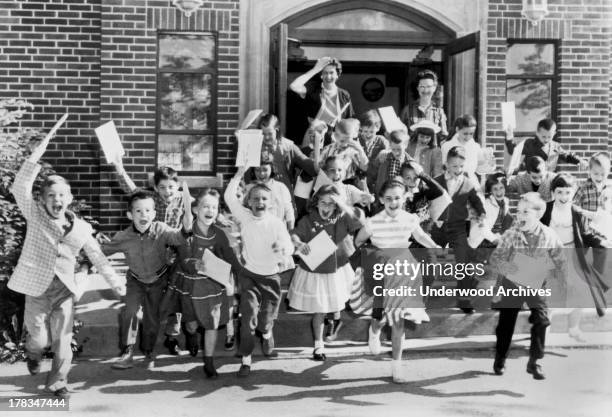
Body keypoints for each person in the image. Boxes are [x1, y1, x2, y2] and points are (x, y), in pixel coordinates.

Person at [8, 131, 125, 399]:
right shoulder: (34, 215)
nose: (56, 200)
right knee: (39, 340)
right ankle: (34, 355)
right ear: (42, 199)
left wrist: (117, 284)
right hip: (36, 289)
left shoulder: (82, 228)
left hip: (64, 292)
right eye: (51, 195)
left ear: (69, 198)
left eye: (61, 195)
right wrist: (38, 153)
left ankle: (57, 382)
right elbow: (19, 187)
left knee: (63, 340)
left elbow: (98, 257)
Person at [354, 178, 441, 383]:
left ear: (404, 198)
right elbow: (358, 241)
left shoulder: (410, 218)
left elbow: (420, 237)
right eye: (389, 199)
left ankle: (397, 366)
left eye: (397, 198)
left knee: (398, 321)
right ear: (382, 200)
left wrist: (436, 247)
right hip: (380, 271)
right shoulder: (373, 222)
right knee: (379, 317)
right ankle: (374, 331)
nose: (393, 202)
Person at [101, 188, 193, 370]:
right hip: (135, 281)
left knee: (152, 318)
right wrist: (90, 245)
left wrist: (186, 226)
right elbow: (102, 251)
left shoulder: (161, 229)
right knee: (130, 312)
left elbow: (178, 237)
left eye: (148, 210)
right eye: (138, 211)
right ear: (130, 215)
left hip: (158, 280)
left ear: (154, 213)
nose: (144, 215)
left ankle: (149, 350)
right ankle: (127, 350)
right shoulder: (123, 237)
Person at [111, 157, 188, 356]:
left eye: (171, 187)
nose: (167, 192)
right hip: (154, 251)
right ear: (156, 187)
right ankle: (135, 343)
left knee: (174, 299)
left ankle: (172, 337)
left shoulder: (184, 200)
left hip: (175, 253)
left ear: (177, 186)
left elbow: (202, 214)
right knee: (152, 302)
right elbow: (132, 191)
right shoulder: (150, 201)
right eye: (162, 187)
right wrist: (121, 170)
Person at [224, 166, 294, 378]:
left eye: (264, 199)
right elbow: (229, 197)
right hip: (249, 276)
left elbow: (289, 247)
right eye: (255, 199)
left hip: (271, 277)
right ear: (249, 202)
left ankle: (267, 332)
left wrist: (282, 250)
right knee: (248, 318)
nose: (259, 202)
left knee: (265, 320)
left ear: (271, 203)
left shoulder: (276, 224)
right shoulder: (244, 217)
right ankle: (246, 359)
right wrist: (239, 174)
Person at [489, 192, 566, 380]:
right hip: (512, 282)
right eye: (518, 212)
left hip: (536, 283)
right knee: (506, 323)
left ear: (538, 214)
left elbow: (560, 259)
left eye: (525, 212)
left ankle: (535, 361)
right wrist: (511, 268)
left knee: (542, 319)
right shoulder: (511, 234)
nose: (520, 216)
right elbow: (495, 258)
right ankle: (500, 357)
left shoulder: (548, 234)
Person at [168, 188, 243, 377]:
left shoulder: (219, 234)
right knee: (192, 324)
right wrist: (195, 264)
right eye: (205, 206)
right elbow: (184, 259)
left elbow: (231, 258)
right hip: (191, 284)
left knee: (212, 323)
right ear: (195, 209)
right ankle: (191, 335)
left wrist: (242, 274)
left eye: (214, 207)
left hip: (211, 283)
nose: (210, 210)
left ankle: (209, 362)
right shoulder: (187, 232)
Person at [288, 185, 366, 361]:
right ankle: (318, 345)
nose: (326, 207)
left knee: (336, 301)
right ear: (316, 203)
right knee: (319, 310)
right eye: (323, 203)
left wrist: (343, 204)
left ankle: (335, 317)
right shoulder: (308, 220)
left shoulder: (342, 218)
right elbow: (294, 234)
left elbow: (359, 220)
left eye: (331, 204)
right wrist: (299, 243)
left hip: (336, 270)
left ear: (336, 205)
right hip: (315, 271)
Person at [540, 173, 611, 341]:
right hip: (551, 257)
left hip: (572, 256)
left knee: (580, 293)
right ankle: (543, 331)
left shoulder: (576, 212)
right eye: (559, 192)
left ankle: (573, 328)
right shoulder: (546, 209)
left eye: (567, 192)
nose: (563, 197)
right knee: (551, 295)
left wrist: (602, 242)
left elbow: (587, 234)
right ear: (553, 192)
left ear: (573, 193)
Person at [431, 146, 486, 313]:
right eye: (454, 166)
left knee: (463, 261)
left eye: (461, 166)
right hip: (439, 227)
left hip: (458, 227)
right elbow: (427, 200)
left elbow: (476, 201)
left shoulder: (468, 183)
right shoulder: (437, 181)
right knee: (427, 258)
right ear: (447, 164)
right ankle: (422, 295)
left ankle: (464, 299)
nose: (458, 169)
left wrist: (482, 212)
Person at [289, 56, 354, 141]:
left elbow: (349, 120)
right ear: (321, 75)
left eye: (331, 73)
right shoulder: (313, 90)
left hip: (337, 140)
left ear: (337, 75)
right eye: (325, 73)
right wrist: (315, 69)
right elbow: (294, 86)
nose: (328, 76)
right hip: (314, 138)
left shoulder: (344, 95)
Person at [573, 152, 611, 275]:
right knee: (579, 260)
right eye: (595, 173)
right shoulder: (584, 187)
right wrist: (580, 212)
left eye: (602, 174)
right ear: (589, 171)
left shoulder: (609, 188)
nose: (599, 177)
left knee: (601, 262)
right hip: (585, 230)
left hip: (601, 232)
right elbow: (574, 205)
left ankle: (599, 283)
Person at [505, 118, 589, 173]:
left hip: (549, 180)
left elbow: (568, 156)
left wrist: (580, 160)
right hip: (532, 180)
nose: (546, 139)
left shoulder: (556, 146)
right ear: (537, 133)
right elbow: (513, 150)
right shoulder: (529, 143)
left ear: (554, 134)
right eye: (543, 136)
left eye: (549, 137)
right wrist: (509, 137)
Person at [245, 153, 295, 230]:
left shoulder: (281, 187)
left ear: (272, 169)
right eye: (257, 170)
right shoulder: (248, 189)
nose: (261, 174)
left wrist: (290, 232)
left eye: (265, 170)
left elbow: (289, 212)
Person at [399, 69, 448, 141]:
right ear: (417, 88)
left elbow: (444, 135)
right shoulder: (407, 109)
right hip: (411, 151)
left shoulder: (439, 111)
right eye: (422, 86)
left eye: (428, 87)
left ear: (434, 88)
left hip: (433, 150)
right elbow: (399, 134)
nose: (425, 91)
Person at [367, 129, 416, 198]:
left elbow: (413, 186)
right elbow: (371, 175)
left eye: (399, 149)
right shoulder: (383, 158)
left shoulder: (411, 164)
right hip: (382, 198)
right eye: (393, 149)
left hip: (400, 200)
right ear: (390, 146)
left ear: (406, 145)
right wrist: (371, 192)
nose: (396, 153)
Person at [319, 118, 369, 185]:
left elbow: (364, 168)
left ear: (352, 137)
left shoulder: (353, 150)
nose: (346, 143)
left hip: (346, 183)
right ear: (335, 136)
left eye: (349, 140)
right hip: (328, 180)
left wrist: (361, 151)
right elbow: (319, 164)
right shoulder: (328, 148)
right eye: (342, 141)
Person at [441, 114, 482, 180]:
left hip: (471, 183)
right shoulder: (447, 146)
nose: (468, 137)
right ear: (457, 129)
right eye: (465, 133)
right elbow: (444, 167)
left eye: (471, 134)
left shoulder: (476, 146)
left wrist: (489, 163)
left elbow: (480, 169)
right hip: (452, 181)